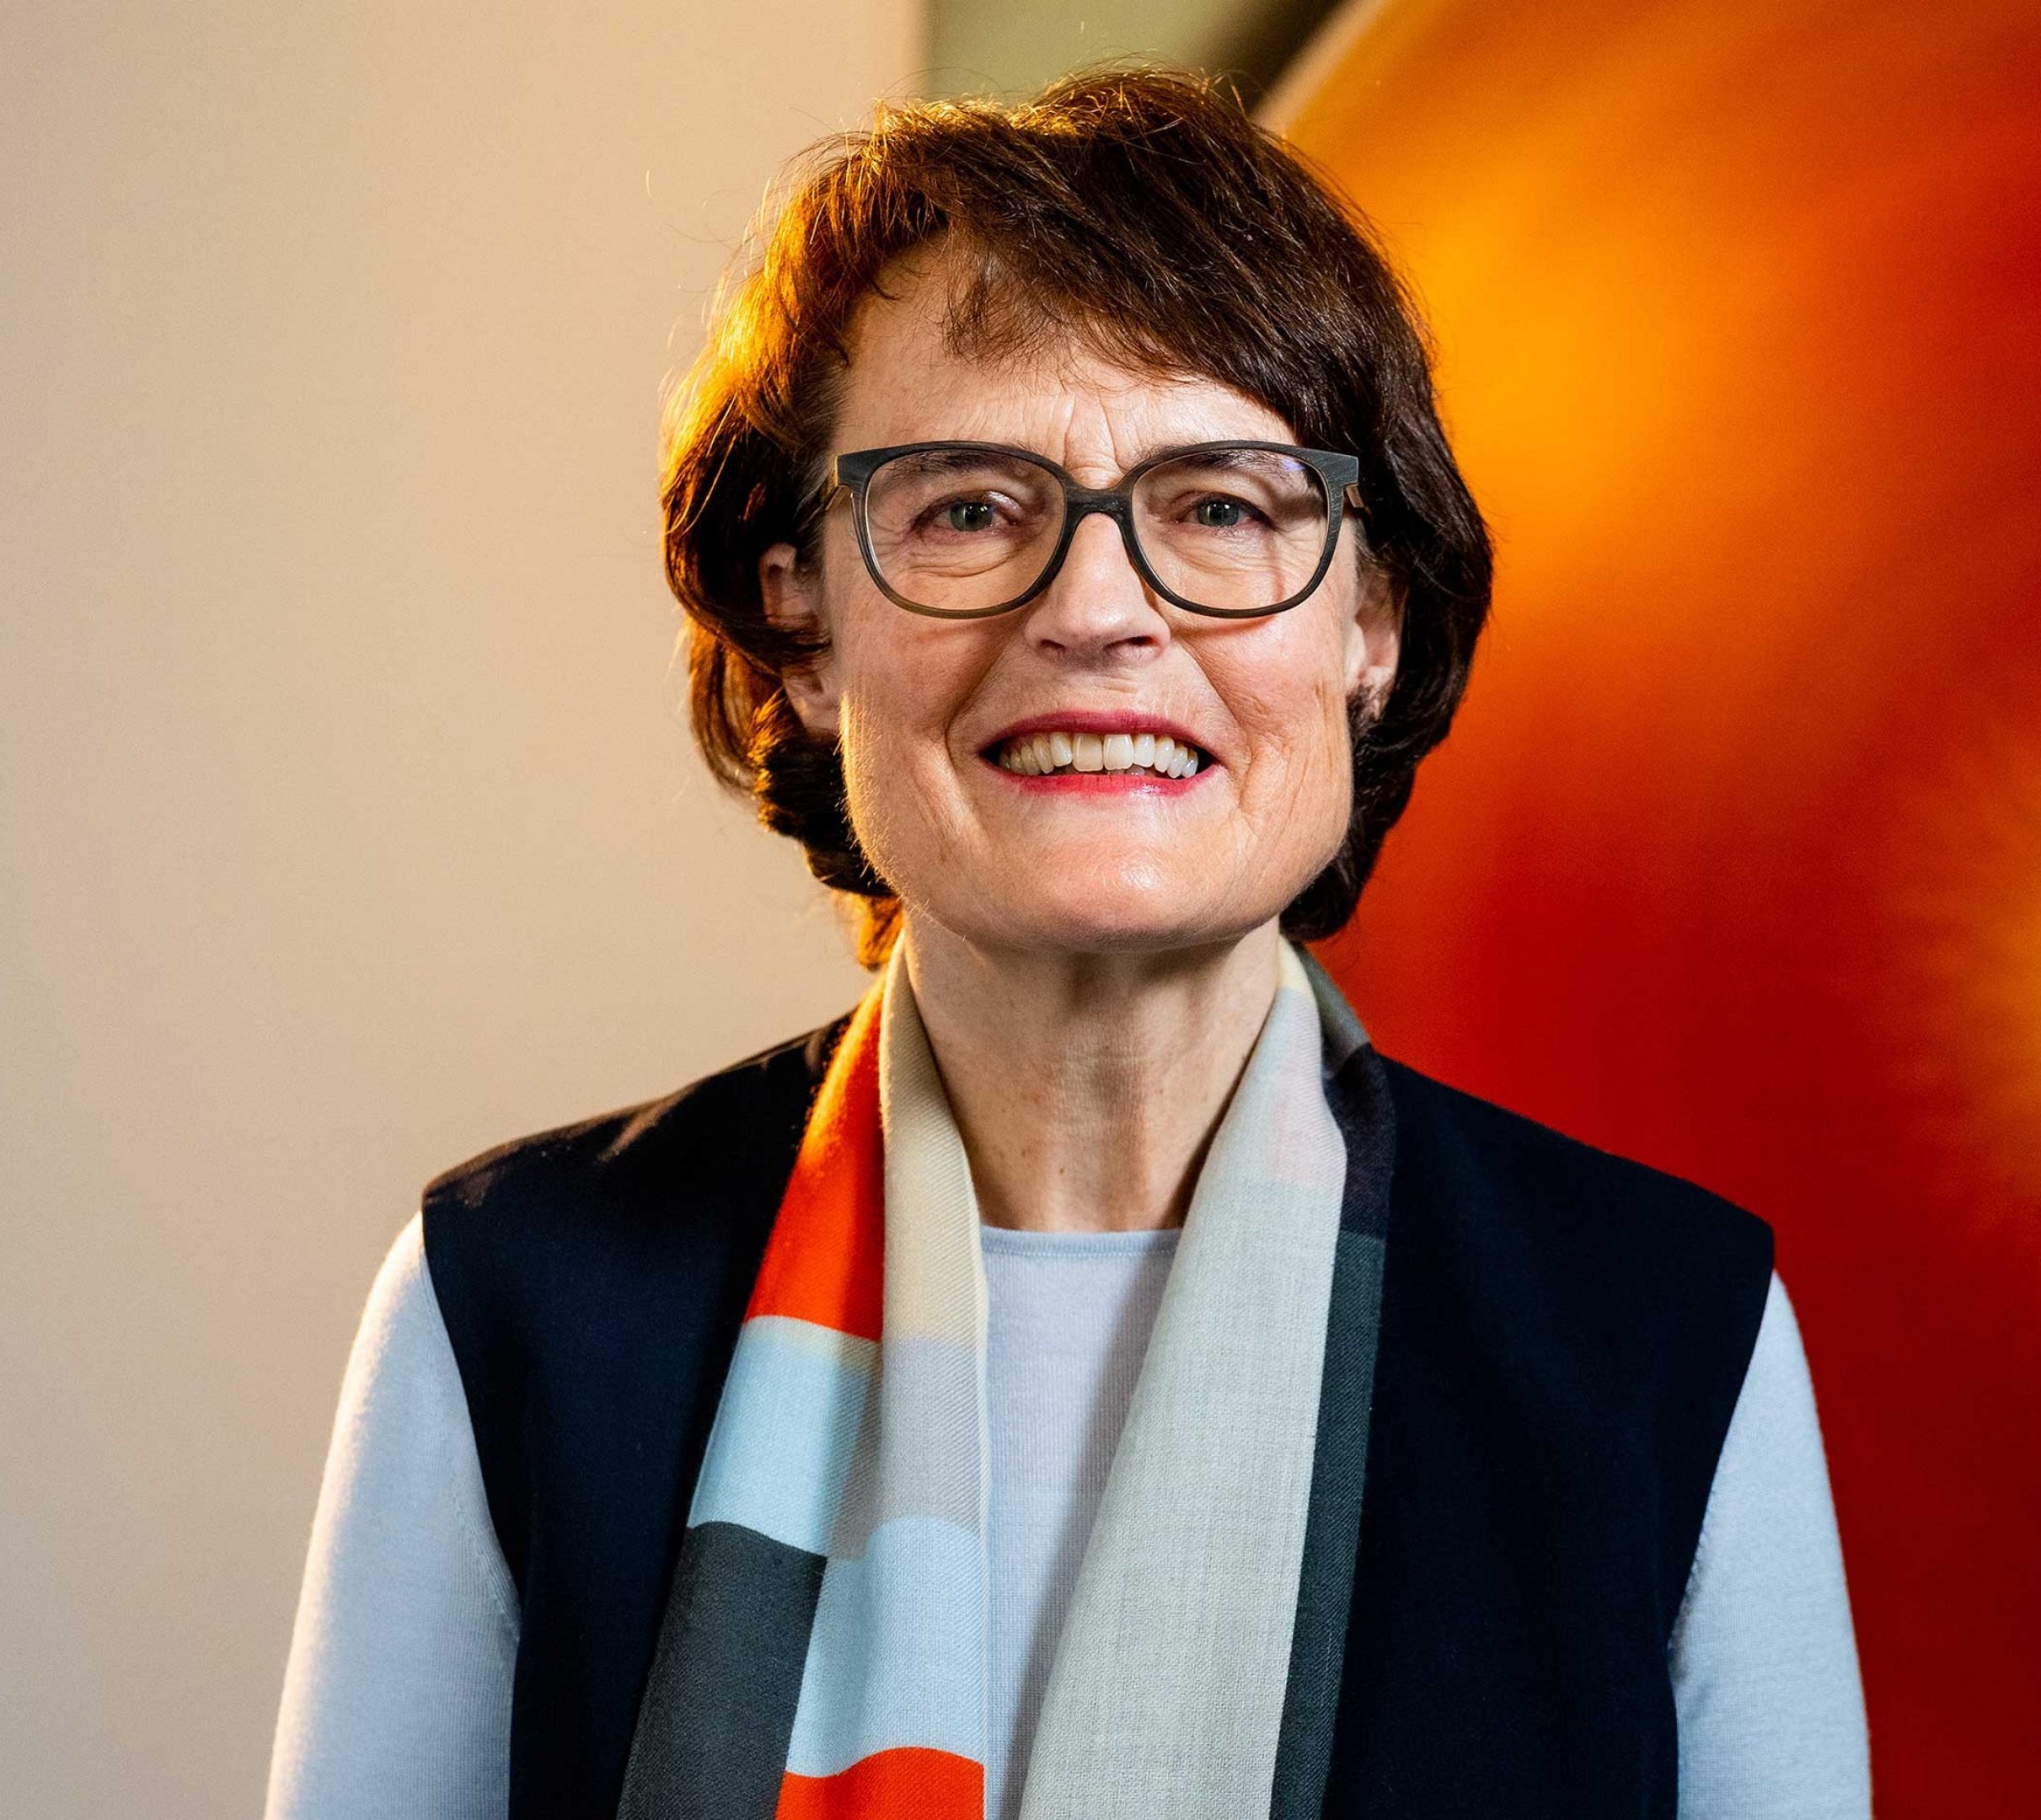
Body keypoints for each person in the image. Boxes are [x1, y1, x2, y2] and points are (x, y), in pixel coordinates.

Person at [265, 67, 1867, 1820]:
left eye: (1223, 509)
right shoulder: (514, 1307)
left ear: (1374, 627)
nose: (1096, 610)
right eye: (964, 508)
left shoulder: (1661, 1335)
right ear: (800, 626)